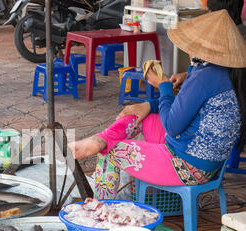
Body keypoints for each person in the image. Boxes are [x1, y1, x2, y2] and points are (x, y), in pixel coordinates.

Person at [68, 10, 246, 199]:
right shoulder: (225, 72)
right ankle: (100, 138)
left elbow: (171, 125)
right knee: (142, 115)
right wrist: (149, 105)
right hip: (208, 164)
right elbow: (184, 108)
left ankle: (101, 210)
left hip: (188, 166)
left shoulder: (205, 77)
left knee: (111, 152)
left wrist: (164, 86)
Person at [170, 0, 245, 92]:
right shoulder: (241, 37)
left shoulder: (216, 45)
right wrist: (187, 75)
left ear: (211, 14)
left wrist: (163, 85)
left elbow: (211, 78)